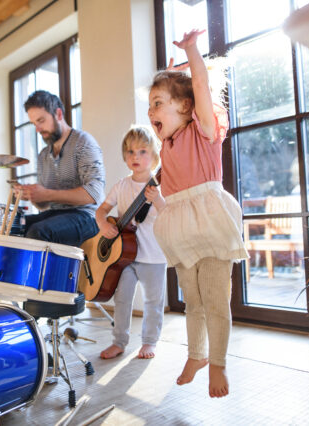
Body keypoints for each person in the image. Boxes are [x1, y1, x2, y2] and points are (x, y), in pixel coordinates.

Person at [148, 30, 248, 398]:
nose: (150, 111)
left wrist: (191, 51)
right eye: (150, 105)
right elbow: (169, 196)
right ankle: (197, 355)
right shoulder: (167, 146)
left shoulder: (204, 131)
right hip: (181, 225)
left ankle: (218, 362)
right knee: (192, 300)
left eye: (158, 103)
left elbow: (201, 85)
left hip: (211, 220)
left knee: (215, 299)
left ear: (186, 107)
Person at [97, 125, 167, 360]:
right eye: (130, 152)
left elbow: (167, 214)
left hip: (154, 255)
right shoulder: (122, 185)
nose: (135, 157)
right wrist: (103, 224)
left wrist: (156, 199)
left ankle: (149, 342)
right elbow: (103, 210)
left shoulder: (159, 185)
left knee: (153, 301)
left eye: (142, 152)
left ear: (155, 156)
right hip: (125, 257)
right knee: (122, 298)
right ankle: (119, 341)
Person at [16, 90, 105, 247]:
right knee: (15, 226)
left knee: (38, 232)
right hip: (56, 215)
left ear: (58, 114)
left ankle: (44, 273)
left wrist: (47, 193)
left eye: (41, 120)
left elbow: (94, 193)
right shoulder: (43, 155)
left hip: (87, 216)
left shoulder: (84, 142)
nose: (37, 129)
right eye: (34, 123)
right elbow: (44, 205)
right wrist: (33, 195)